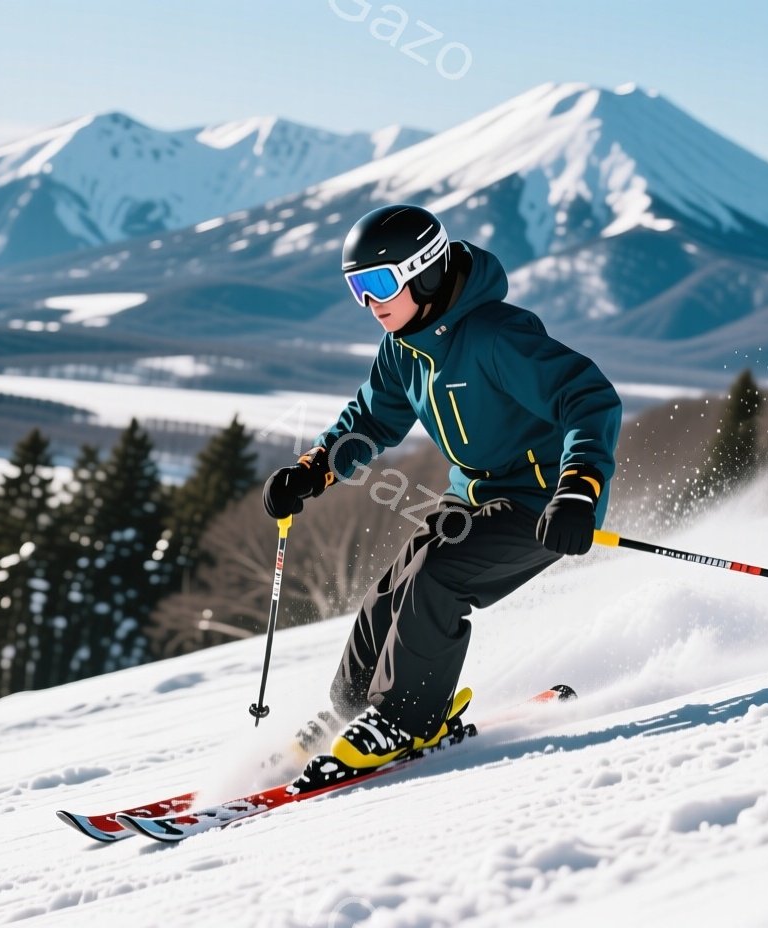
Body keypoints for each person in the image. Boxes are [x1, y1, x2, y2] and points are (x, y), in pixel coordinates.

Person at [261, 204, 622, 769]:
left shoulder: (497, 335)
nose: (370, 303)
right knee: (393, 590)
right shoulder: (403, 347)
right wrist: (312, 471)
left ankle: (403, 719)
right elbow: (369, 421)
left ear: (425, 271)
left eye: (379, 283)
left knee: (438, 578)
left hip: (545, 500)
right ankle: (350, 710)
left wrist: (578, 488)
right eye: (357, 288)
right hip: (472, 496)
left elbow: (589, 397)